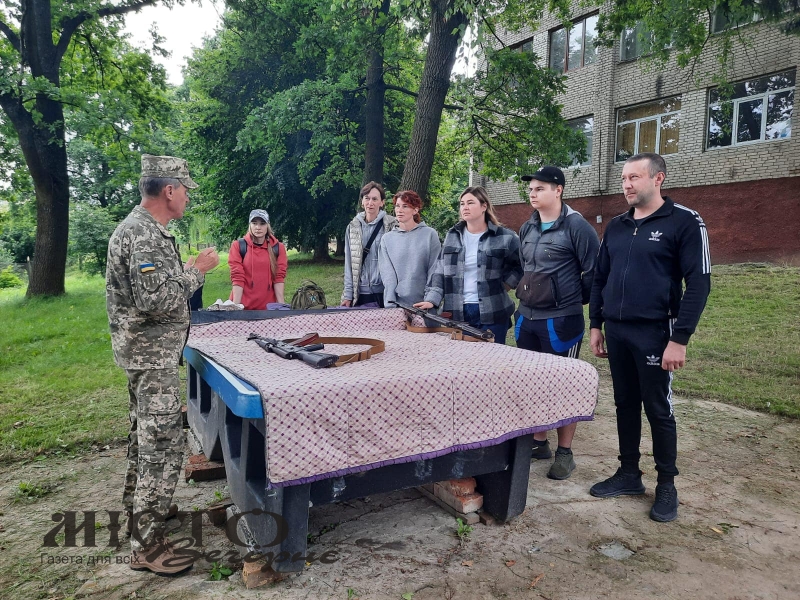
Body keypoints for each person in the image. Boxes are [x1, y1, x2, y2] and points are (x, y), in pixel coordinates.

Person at [106, 154, 219, 574]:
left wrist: (185, 271)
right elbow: (154, 300)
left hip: (145, 355)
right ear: (168, 190)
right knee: (163, 445)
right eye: (185, 189)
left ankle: (142, 512)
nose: (187, 197)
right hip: (151, 358)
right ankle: (147, 546)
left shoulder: (142, 229)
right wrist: (196, 273)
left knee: (143, 436)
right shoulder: (145, 234)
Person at [589, 152, 711, 523]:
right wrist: (596, 323)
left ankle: (667, 485)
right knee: (625, 404)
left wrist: (681, 339)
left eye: (634, 177)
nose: (626, 184)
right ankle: (628, 474)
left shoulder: (685, 222)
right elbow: (600, 278)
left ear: (658, 179)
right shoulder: (617, 226)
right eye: (624, 178)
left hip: (658, 332)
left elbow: (699, 283)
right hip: (618, 330)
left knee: (658, 409)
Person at [514, 166, 600, 479]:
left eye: (539, 188)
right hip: (526, 317)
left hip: (561, 321)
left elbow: (594, 273)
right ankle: (539, 443)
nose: (533, 194)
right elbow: (526, 267)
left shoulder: (577, 227)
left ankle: (565, 453)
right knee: (531, 383)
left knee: (565, 385)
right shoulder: (527, 227)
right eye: (531, 189)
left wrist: (573, 301)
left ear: (558, 190)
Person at [414, 186, 522, 343]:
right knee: (461, 363)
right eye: (462, 203)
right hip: (456, 312)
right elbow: (439, 271)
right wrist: (432, 299)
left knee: (492, 362)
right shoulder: (452, 236)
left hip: (492, 311)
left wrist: (506, 284)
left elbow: (521, 265)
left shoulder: (505, 237)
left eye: (470, 203)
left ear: (484, 206)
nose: (465, 207)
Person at [378, 190, 441, 306]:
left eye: (405, 206)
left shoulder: (430, 235)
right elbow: (388, 277)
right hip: (396, 306)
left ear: (415, 210)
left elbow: (435, 270)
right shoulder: (387, 239)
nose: (399, 210)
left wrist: (431, 300)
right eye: (397, 206)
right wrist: (391, 304)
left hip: (424, 304)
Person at [341, 181, 398, 307]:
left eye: (374, 199)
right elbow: (349, 264)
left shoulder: (392, 225)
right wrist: (348, 294)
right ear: (362, 201)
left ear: (382, 202)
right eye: (367, 198)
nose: (370, 203)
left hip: (385, 293)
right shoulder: (353, 227)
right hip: (361, 293)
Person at [228, 209, 288, 309]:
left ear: (267, 225)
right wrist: (235, 307)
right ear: (250, 225)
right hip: (243, 307)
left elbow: (279, 277)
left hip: (268, 308)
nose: (258, 227)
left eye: (262, 223)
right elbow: (237, 277)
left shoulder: (278, 247)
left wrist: (281, 307)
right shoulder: (238, 246)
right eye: (254, 223)